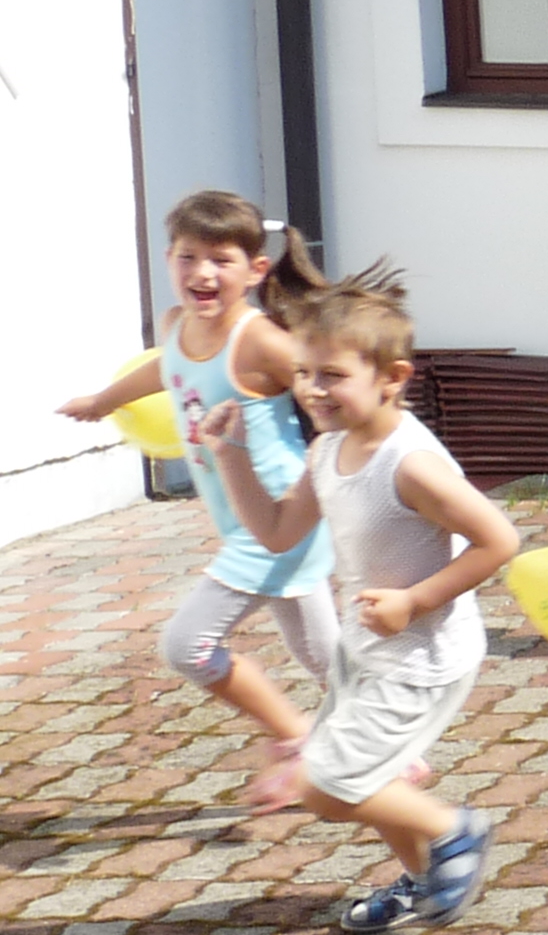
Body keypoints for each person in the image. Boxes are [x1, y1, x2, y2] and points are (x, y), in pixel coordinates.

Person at [194, 263, 518, 933]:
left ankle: (454, 830)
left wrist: (415, 602)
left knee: (326, 785)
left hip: (421, 658)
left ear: (391, 378)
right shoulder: (329, 448)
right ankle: (423, 879)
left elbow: (498, 540)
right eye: (304, 373)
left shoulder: (410, 465)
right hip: (366, 648)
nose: (313, 389)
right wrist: (229, 457)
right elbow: (279, 533)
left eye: (332, 375)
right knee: (372, 773)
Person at [57, 192, 338, 810]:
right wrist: (103, 401)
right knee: (322, 656)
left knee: (187, 646)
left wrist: (365, 451)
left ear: (255, 270)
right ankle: (387, 745)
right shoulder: (177, 325)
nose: (202, 273)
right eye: (188, 257)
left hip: (278, 518)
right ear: (169, 259)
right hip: (243, 520)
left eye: (220, 259)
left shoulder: (258, 340)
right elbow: (166, 369)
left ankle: (298, 739)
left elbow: (331, 386)